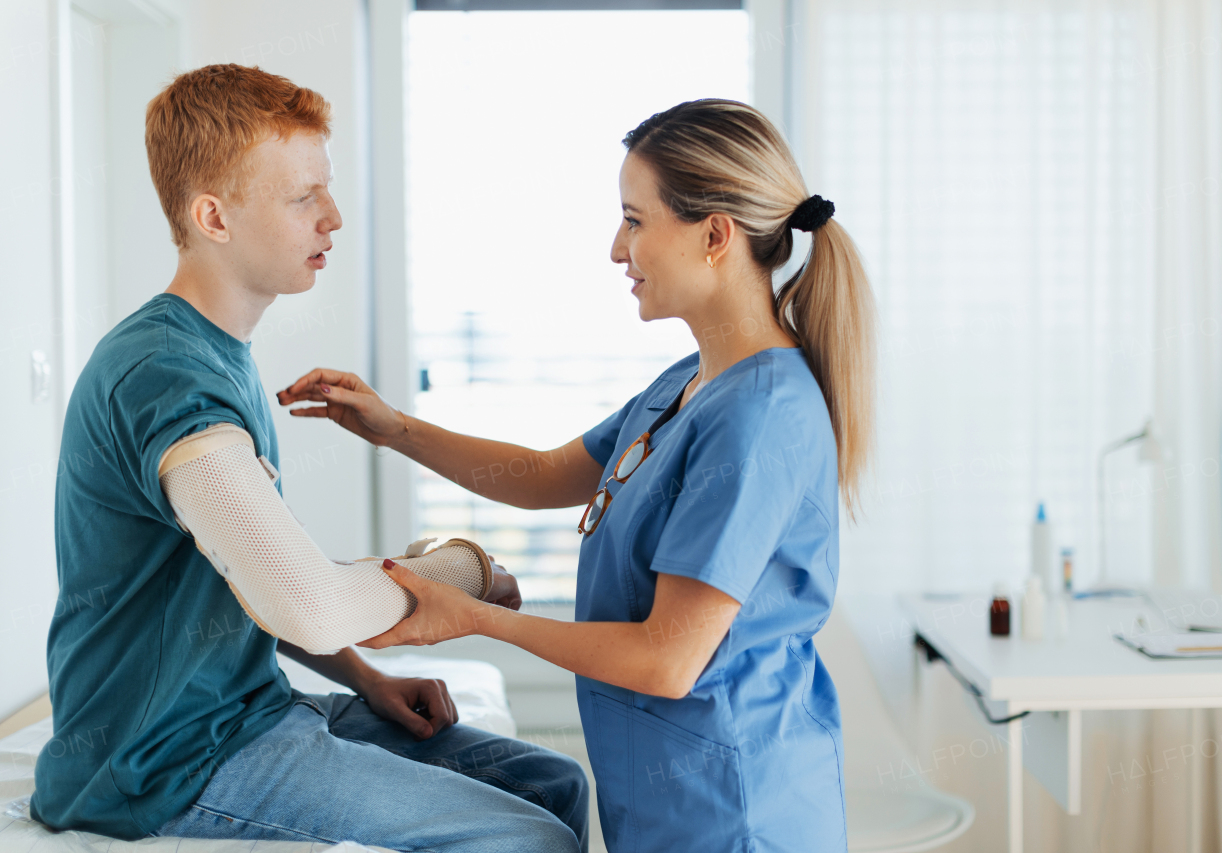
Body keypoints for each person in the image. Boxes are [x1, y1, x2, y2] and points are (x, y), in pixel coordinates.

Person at [278, 98, 876, 852]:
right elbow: (542, 474)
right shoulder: (691, 381)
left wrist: (476, 617)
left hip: (736, 809)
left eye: (635, 220)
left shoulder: (761, 417)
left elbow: (667, 658)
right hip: (667, 794)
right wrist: (395, 428)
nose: (617, 250)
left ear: (715, 235)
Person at [32, 64, 587, 853]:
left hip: (247, 709)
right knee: (533, 837)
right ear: (213, 216)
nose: (331, 217)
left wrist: (369, 679)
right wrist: (466, 569)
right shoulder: (165, 372)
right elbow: (310, 600)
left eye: (325, 190)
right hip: (159, 763)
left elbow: (257, 577)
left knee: (554, 784)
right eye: (302, 198)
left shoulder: (219, 352)